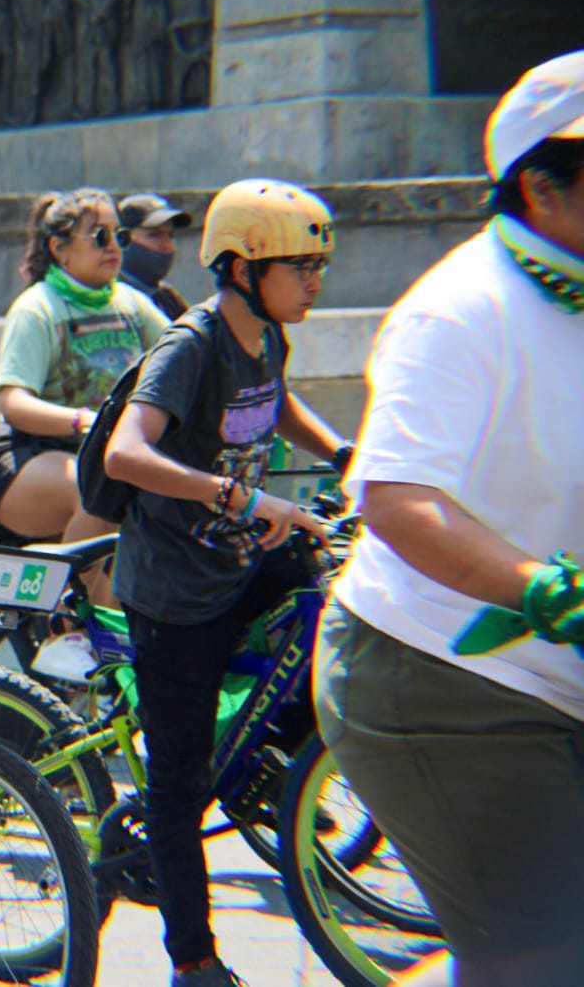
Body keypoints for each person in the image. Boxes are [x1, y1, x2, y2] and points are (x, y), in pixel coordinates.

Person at [315, 50, 584, 987]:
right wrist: (547, 593)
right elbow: (398, 499)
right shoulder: (461, 311)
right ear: (541, 191)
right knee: (542, 958)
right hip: (448, 680)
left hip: (562, 676)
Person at [104, 177, 352, 987]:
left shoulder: (268, 336)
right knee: (178, 787)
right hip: (175, 587)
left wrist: (345, 455)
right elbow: (126, 454)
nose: (315, 279)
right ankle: (192, 960)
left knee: (324, 589)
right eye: (300, 264)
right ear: (243, 267)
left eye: (319, 263)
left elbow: (275, 404)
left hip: (238, 554)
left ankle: (269, 762)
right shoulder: (191, 345)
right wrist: (240, 494)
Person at [0, 188, 169, 545]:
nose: (112, 246)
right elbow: (13, 403)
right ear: (59, 249)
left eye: (119, 236)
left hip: (103, 456)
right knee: (99, 493)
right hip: (25, 457)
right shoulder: (38, 308)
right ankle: (70, 599)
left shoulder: (133, 304)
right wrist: (83, 421)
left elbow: (180, 358)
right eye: (99, 236)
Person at [119, 191, 194, 320]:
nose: (167, 245)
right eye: (154, 235)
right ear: (122, 239)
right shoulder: (112, 301)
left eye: (171, 235)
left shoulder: (168, 299)